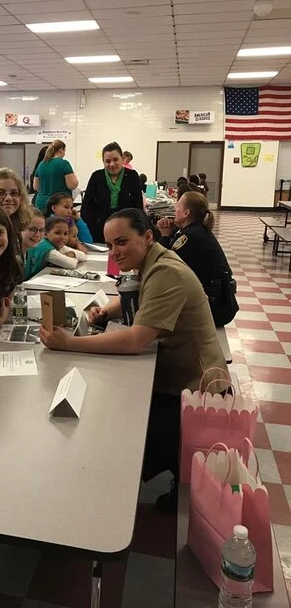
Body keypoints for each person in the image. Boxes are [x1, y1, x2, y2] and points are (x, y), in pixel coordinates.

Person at [39, 208, 227, 508]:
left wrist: (70, 343)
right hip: (177, 369)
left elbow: (134, 341)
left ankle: (98, 500)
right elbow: (137, 294)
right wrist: (107, 310)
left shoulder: (167, 272)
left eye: (122, 242)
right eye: (111, 244)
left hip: (196, 387)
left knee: (115, 425)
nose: (115, 251)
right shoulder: (154, 261)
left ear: (148, 236)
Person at [157, 191, 237, 326]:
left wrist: (165, 236)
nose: (175, 208)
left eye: (178, 205)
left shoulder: (190, 236)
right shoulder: (196, 230)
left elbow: (161, 263)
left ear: (186, 213)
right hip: (216, 301)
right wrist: (170, 234)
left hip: (214, 307)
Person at [81, 142, 143, 243]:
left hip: (125, 228)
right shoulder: (97, 176)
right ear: (103, 162)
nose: (112, 164)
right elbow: (87, 206)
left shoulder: (132, 176)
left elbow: (138, 205)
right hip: (99, 230)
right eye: (108, 161)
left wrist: (138, 228)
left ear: (122, 158)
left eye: (115, 159)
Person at [33, 140, 78, 211]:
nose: (64, 153)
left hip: (41, 203)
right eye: (64, 151)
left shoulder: (42, 164)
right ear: (61, 150)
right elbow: (72, 185)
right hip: (59, 204)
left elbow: (36, 187)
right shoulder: (64, 163)